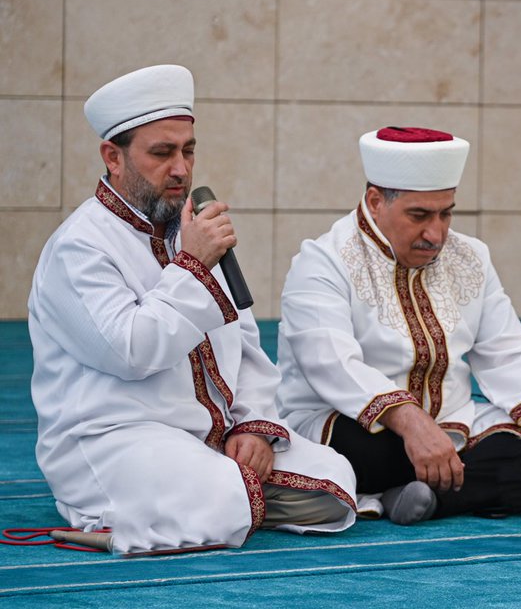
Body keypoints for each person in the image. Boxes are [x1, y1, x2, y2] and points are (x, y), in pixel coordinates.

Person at [28, 65, 356, 555]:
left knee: (336, 480)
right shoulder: (79, 247)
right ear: (113, 157)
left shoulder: (191, 230)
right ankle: (132, 517)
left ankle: (212, 505)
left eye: (188, 150)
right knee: (223, 494)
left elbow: (245, 348)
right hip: (114, 440)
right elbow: (133, 352)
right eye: (162, 153)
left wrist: (253, 428)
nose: (181, 169)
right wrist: (193, 266)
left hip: (206, 438)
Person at [275, 126, 521, 523]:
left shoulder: (471, 257)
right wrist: (410, 421)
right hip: (350, 424)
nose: (435, 234)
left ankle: (425, 497)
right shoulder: (323, 262)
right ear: (376, 202)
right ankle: (490, 490)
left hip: (452, 424)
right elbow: (330, 363)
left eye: (445, 214)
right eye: (419, 216)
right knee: (366, 455)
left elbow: (508, 349)